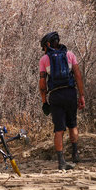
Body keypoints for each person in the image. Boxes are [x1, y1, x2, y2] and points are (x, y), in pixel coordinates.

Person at [39, 32, 85, 170]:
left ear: (47, 44)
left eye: (44, 47)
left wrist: (44, 101)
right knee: (73, 124)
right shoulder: (70, 55)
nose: (44, 50)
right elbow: (77, 75)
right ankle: (75, 154)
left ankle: (61, 161)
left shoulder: (44, 59)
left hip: (55, 96)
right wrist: (81, 95)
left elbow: (42, 84)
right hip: (70, 92)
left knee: (59, 129)